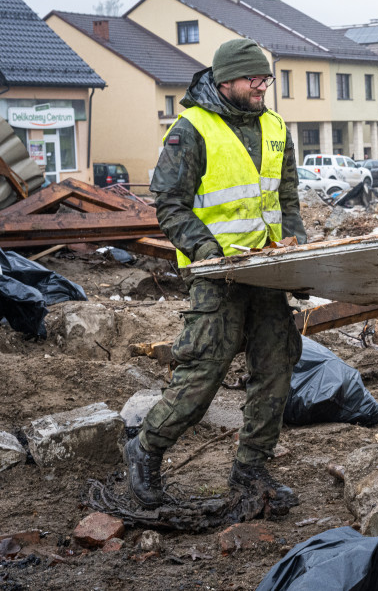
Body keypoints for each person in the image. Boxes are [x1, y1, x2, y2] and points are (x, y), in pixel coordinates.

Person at [123, 38, 306, 510]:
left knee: (277, 365)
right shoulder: (192, 129)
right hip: (215, 274)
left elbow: (287, 200)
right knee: (204, 369)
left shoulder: (275, 126)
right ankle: (146, 449)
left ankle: (251, 470)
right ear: (225, 80)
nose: (262, 86)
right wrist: (206, 251)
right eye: (253, 79)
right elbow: (170, 204)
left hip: (267, 271)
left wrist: (298, 251)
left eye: (266, 79)